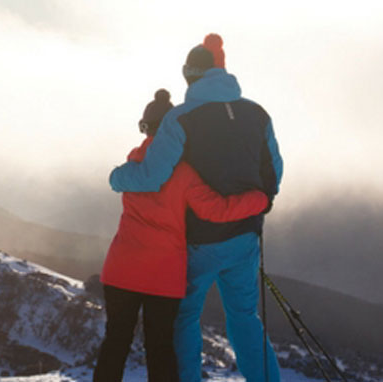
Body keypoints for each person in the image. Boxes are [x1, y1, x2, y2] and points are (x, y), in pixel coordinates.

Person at [109, 34, 284, 382]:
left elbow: (152, 177)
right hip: (246, 237)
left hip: (197, 241)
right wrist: (257, 207)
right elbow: (274, 173)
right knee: (245, 318)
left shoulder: (181, 119)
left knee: (184, 319)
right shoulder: (257, 113)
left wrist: (117, 177)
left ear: (189, 74)